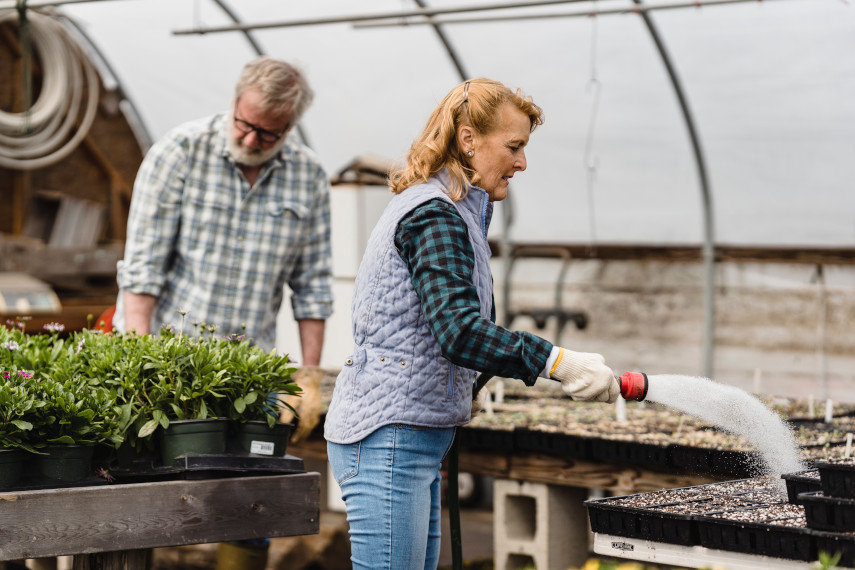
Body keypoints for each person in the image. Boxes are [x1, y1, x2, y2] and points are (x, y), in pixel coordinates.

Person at [324, 78, 621, 569]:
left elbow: (433, 328)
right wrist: (558, 362)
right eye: (514, 146)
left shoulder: (454, 211)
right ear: (467, 139)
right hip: (389, 438)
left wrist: (463, 384)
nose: (522, 162)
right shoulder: (435, 215)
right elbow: (459, 330)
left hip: (409, 435)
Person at [114, 56, 332, 568]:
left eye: (269, 133)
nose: (253, 139)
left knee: (252, 502)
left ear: (290, 126)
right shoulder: (179, 153)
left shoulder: (308, 177)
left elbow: (313, 287)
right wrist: (140, 367)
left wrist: (309, 374)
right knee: (144, 499)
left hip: (250, 373)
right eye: (245, 124)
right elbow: (142, 273)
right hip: (169, 365)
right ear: (234, 101)